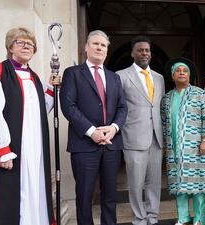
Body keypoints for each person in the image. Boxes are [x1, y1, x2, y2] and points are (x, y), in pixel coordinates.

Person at [0, 27, 57, 225]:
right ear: (10, 47)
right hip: (10, 149)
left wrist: (49, 90)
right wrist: (3, 148)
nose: (26, 46)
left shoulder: (34, 77)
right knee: (12, 193)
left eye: (30, 44)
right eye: (20, 42)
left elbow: (37, 112)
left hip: (34, 147)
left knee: (34, 187)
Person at [59, 30, 127, 225]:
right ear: (86, 48)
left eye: (103, 45)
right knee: (84, 195)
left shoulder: (114, 77)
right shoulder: (72, 73)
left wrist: (114, 128)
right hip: (84, 145)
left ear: (107, 51)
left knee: (110, 196)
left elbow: (122, 107)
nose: (99, 48)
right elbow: (68, 106)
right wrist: (92, 132)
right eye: (95, 44)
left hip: (111, 144)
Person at [116, 36, 165, 225]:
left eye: (147, 50)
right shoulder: (121, 75)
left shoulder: (159, 78)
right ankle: (139, 218)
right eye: (140, 50)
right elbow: (117, 106)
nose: (144, 53)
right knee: (135, 184)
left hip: (156, 137)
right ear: (132, 53)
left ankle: (153, 217)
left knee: (154, 182)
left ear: (150, 54)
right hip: (134, 136)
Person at [161, 58, 205, 225]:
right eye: (178, 71)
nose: (182, 73)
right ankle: (183, 217)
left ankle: (200, 219)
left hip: (196, 147)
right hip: (174, 148)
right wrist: (164, 145)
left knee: (198, 184)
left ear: (189, 75)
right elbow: (163, 122)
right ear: (172, 75)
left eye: (185, 70)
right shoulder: (166, 98)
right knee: (179, 185)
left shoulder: (199, 93)